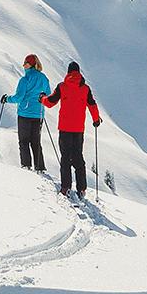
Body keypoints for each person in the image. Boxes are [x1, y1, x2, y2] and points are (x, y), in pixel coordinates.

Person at [43, 61, 102, 197]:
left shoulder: (62, 86)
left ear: (68, 72)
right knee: (78, 157)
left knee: (65, 158)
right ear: (79, 72)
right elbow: (92, 104)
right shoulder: (85, 88)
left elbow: (51, 102)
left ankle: (65, 187)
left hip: (64, 128)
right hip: (78, 129)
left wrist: (42, 99)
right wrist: (96, 120)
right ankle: (81, 189)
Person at [1, 55, 51, 173]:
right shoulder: (44, 78)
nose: (23, 65)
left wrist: (7, 99)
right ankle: (40, 167)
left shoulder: (24, 80)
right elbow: (48, 94)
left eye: (26, 63)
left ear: (31, 64)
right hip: (38, 114)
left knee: (24, 141)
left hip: (25, 114)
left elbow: (19, 97)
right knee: (36, 141)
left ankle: (26, 166)